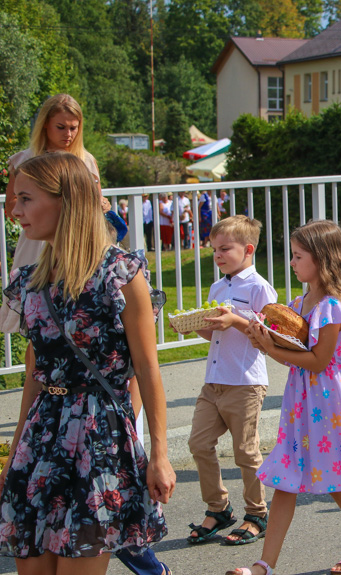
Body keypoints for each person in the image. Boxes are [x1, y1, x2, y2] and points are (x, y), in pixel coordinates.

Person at [0, 152, 175, 573]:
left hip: (98, 438)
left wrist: (160, 453)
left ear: (66, 201)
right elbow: (35, 371)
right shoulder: (31, 281)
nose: (15, 211)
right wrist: (15, 450)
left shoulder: (121, 274)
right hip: (42, 436)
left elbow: (147, 370)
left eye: (26, 198)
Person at [230, 220, 341, 575]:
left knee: (338, 476)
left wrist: (270, 349)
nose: (292, 262)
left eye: (298, 256)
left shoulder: (331, 306)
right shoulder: (301, 301)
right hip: (302, 400)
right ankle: (264, 565)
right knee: (287, 477)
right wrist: (262, 339)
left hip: (328, 400)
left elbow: (319, 360)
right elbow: (294, 350)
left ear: (322, 259)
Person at [182, 215, 276, 546]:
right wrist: (195, 324)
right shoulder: (218, 286)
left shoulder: (259, 287)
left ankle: (257, 513)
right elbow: (215, 335)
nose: (218, 255)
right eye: (214, 250)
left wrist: (235, 319)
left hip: (245, 381)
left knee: (244, 451)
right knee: (198, 444)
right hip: (215, 380)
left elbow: (270, 336)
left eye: (225, 249)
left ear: (248, 249)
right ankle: (218, 508)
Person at [1, 94, 102, 334]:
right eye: (61, 127)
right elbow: (11, 207)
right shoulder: (26, 160)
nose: (68, 134)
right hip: (37, 244)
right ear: (45, 123)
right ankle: (32, 373)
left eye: (73, 128)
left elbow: (96, 205)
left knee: (76, 317)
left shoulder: (86, 161)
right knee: (35, 327)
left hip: (75, 245)